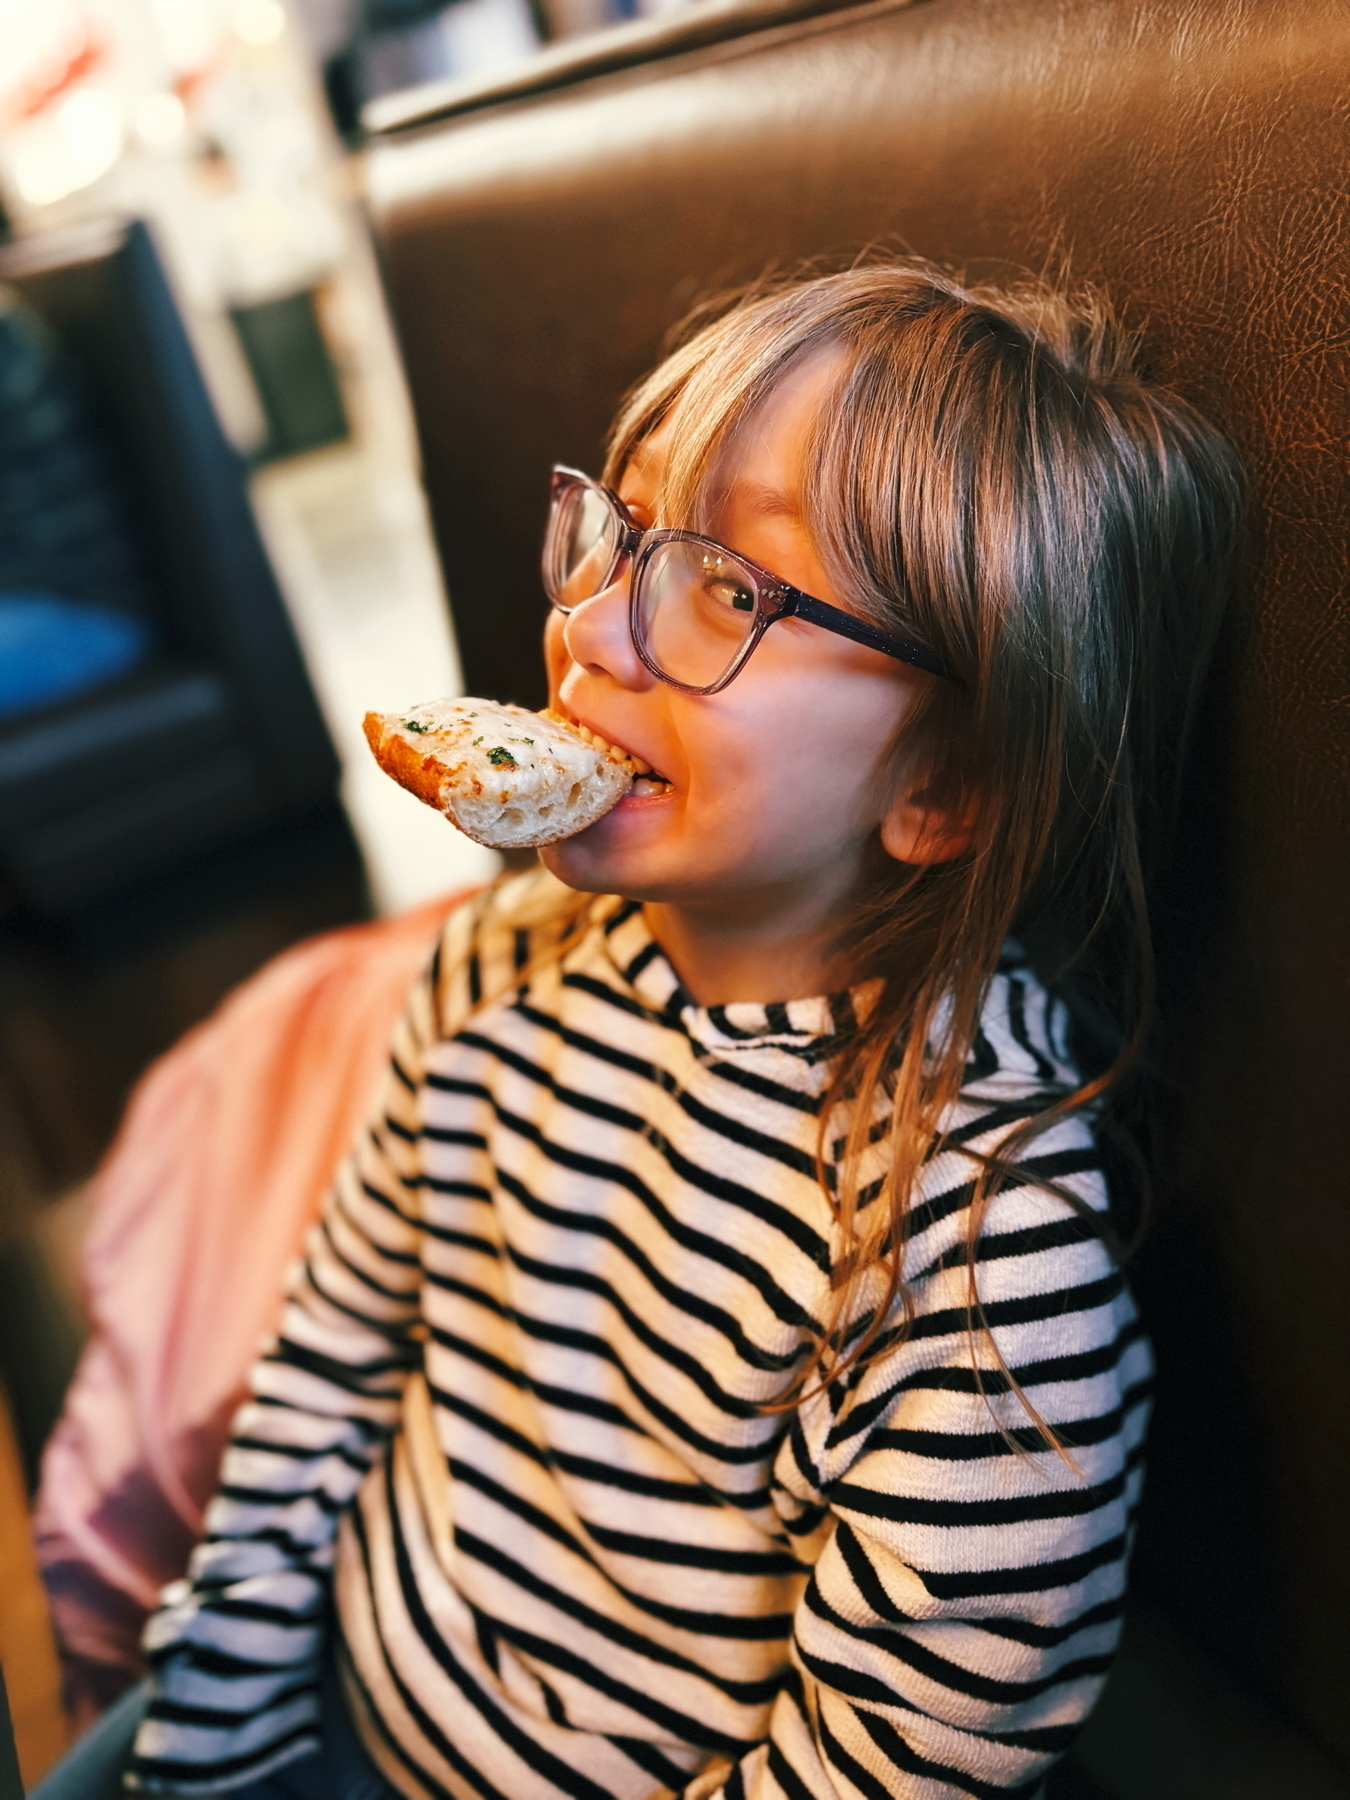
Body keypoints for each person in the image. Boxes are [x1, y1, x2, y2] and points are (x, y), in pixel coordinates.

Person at [40, 258, 1244, 1800]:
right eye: (616, 534)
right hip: (310, 1708)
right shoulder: (500, 966)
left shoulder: (971, 1263)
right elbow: (335, 1352)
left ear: (944, 787)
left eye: (732, 590)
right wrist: (220, 1729)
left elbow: (880, 1764)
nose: (595, 626)